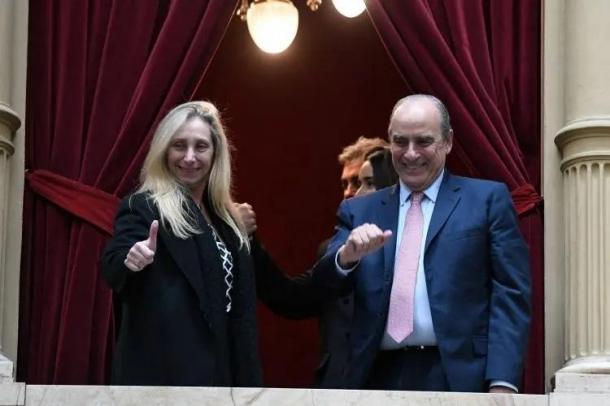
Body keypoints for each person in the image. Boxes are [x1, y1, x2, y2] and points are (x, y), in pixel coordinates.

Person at [312, 94, 531, 392]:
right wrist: (346, 257)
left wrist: (502, 383)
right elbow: (322, 286)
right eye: (400, 142)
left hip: (460, 377)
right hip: (375, 377)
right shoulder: (360, 210)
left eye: (423, 141)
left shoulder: (486, 200)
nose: (411, 153)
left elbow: (511, 293)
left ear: (448, 141)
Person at [101, 101, 262, 386]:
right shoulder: (144, 206)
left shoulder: (225, 221)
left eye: (200, 146)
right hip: (164, 378)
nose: (189, 157)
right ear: (164, 151)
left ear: (215, 154)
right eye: (179, 145)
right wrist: (132, 259)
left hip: (224, 376)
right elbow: (113, 264)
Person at [237, 136, 387, 388]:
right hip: (336, 389)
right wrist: (247, 239)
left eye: (363, 182)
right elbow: (291, 298)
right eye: (346, 184)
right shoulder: (330, 251)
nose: (351, 191)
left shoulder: (414, 244)